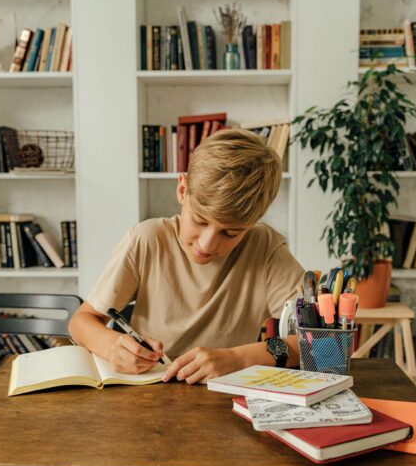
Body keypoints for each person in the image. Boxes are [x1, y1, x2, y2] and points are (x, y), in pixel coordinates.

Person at [68, 128, 305, 384]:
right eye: (200, 220)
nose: (207, 244)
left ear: (254, 222)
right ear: (182, 189)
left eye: (230, 232)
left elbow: (320, 342)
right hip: (148, 390)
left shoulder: (265, 248)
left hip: (225, 397)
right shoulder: (147, 240)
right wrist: (112, 345)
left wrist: (240, 359)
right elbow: (81, 322)